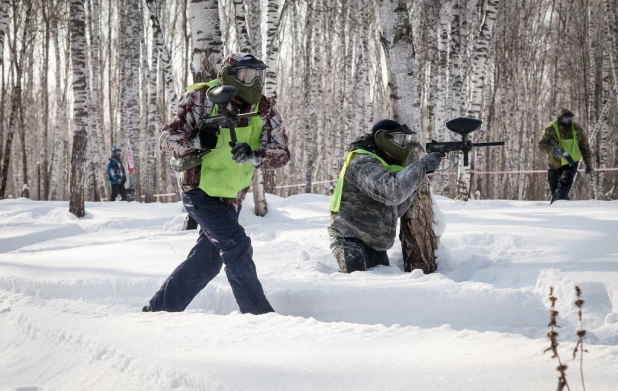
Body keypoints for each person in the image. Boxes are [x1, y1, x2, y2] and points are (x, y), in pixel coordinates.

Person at [144, 53, 290, 314]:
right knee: (237, 244)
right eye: (246, 75)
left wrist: (255, 156)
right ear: (229, 75)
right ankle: (259, 316)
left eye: (258, 75)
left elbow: (281, 152)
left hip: (231, 195)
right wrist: (196, 141)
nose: (253, 82)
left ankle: (159, 311)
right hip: (198, 188)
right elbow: (166, 140)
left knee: (207, 261)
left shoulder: (264, 108)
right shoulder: (200, 98)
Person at [328, 119, 443, 273]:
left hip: (375, 246)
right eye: (399, 139)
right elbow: (392, 193)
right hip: (350, 241)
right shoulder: (362, 162)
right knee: (355, 289)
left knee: (380, 291)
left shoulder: (385, 166)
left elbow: (397, 209)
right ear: (382, 138)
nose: (404, 145)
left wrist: (416, 178)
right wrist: (420, 167)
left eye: (406, 140)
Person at [538, 108, 594, 204]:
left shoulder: (577, 130)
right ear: (560, 119)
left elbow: (585, 148)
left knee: (563, 187)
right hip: (554, 163)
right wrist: (554, 150)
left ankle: (554, 207)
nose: (569, 121)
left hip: (570, 163)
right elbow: (541, 146)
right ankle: (565, 210)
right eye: (566, 119)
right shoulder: (551, 129)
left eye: (570, 119)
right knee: (556, 191)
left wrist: (588, 164)